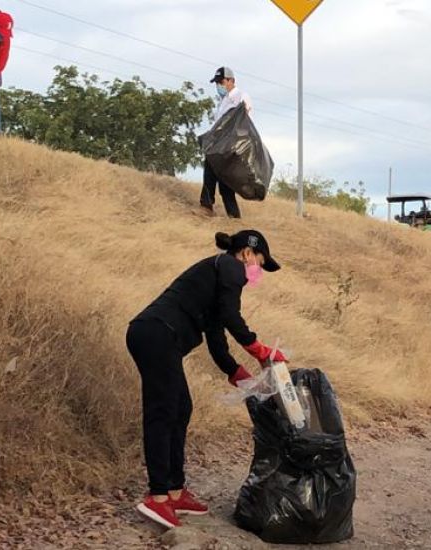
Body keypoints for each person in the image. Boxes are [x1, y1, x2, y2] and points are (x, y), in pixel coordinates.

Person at [126, 230, 286, 529]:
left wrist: (237, 374)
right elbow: (231, 316)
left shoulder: (217, 281)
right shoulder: (229, 266)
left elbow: (216, 335)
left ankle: (174, 491)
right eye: (260, 263)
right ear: (247, 253)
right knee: (163, 412)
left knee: (181, 408)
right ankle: (157, 498)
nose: (257, 272)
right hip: (156, 333)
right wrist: (258, 348)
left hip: (160, 337)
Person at [199, 66, 254, 218]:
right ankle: (234, 217)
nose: (219, 86)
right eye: (217, 83)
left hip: (231, 145)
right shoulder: (223, 101)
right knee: (225, 184)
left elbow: (245, 120)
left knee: (210, 170)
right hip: (219, 142)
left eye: (221, 82)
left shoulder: (241, 97)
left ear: (231, 80)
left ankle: (206, 206)